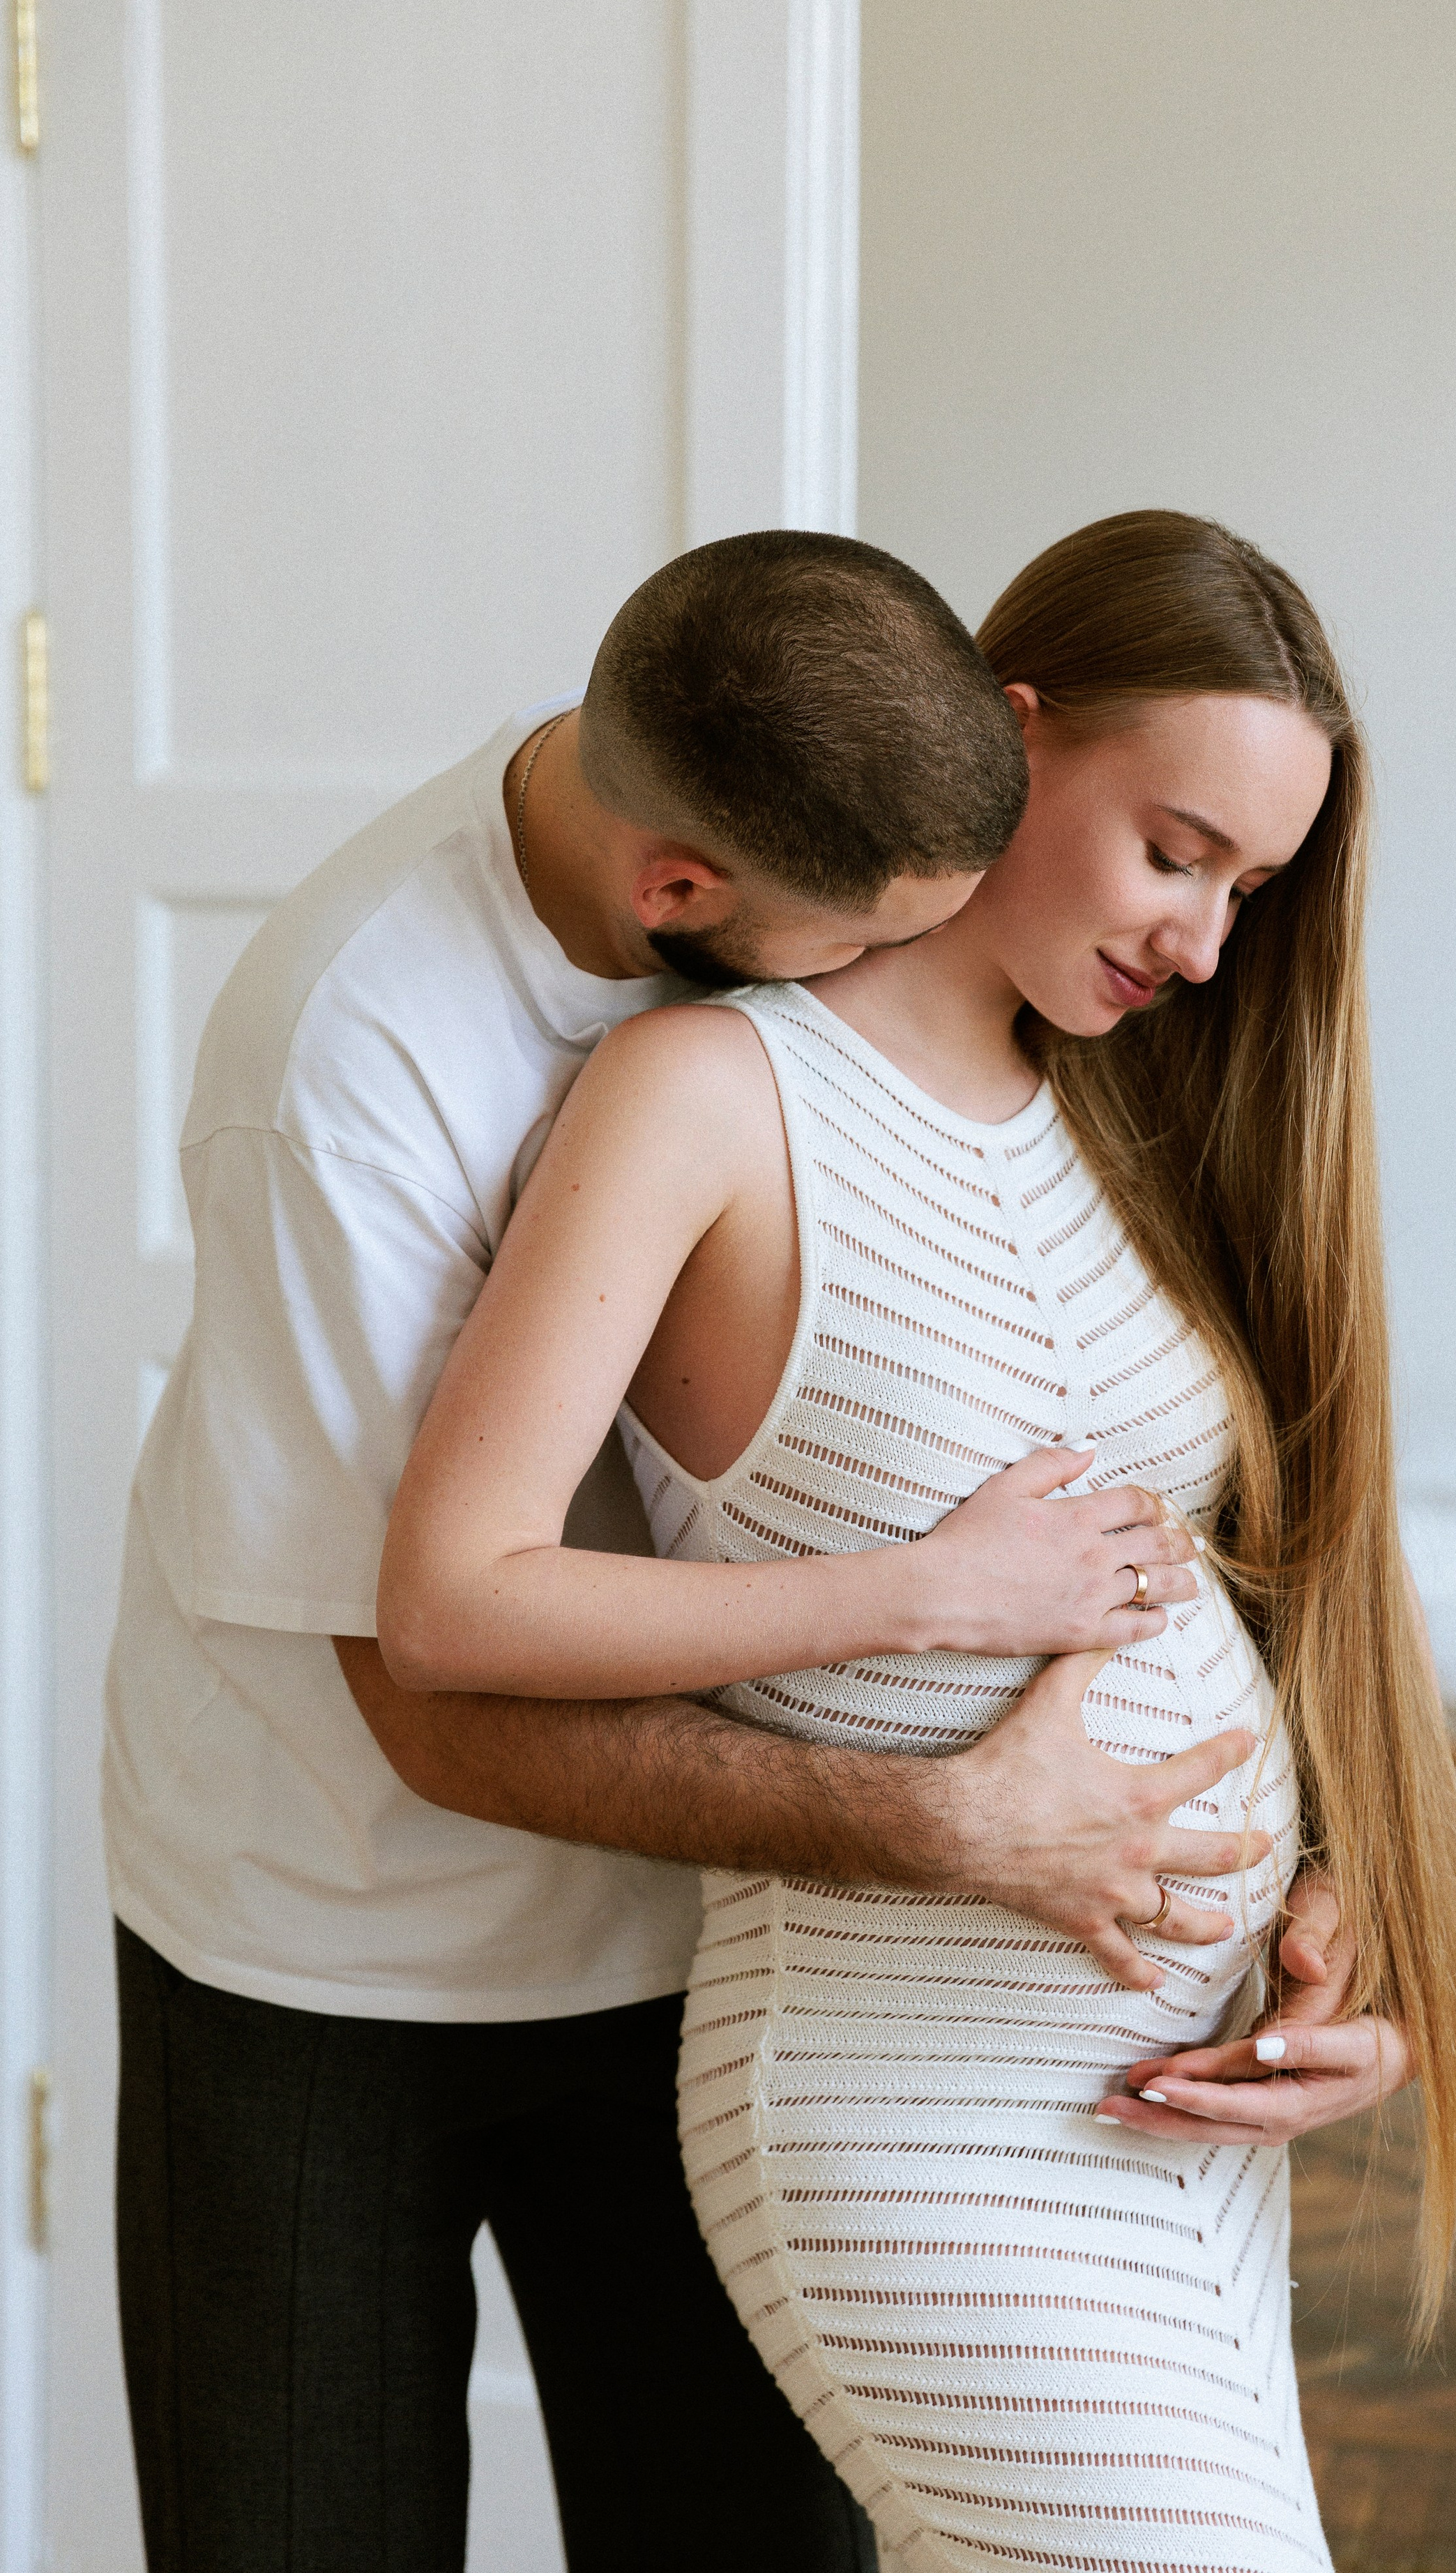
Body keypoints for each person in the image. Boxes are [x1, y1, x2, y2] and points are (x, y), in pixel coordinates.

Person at [382, 511, 1456, 2571]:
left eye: (1249, 890)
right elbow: (455, 1599)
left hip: (1177, 2138)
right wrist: (926, 1593)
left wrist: (1339, 1909)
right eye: (1176, 851)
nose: (1201, 942)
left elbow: (1268, 1570)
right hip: (914, 2121)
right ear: (1015, 739)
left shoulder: (1132, 1110)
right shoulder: (704, 1097)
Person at [107, 531, 1230, 2573]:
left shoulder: (805, 841)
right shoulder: (356, 1071)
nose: (886, 986)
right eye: (853, 948)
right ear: (682, 898)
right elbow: (436, 1696)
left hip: (703, 1952)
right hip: (319, 1940)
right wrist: (949, 1777)